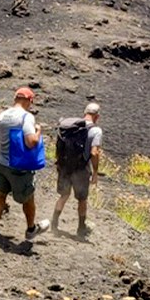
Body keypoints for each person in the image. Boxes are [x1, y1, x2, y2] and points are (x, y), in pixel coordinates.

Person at [0, 86, 47, 242]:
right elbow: (31, 142)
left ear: (15, 99)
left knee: (0, 194)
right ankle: (31, 229)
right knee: (28, 197)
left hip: (1, 163)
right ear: (29, 101)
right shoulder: (26, 117)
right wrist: (39, 131)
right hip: (19, 166)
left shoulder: (2, 115)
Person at [43, 101, 103, 236]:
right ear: (97, 117)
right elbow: (94, 152)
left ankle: (54, 224)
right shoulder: (95, 131)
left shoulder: (70, 127)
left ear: (84, 113)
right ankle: (81, 229)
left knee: (64, 195)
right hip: (81, 169)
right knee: (82, 199)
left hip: (64, 166)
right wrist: (95, 172)